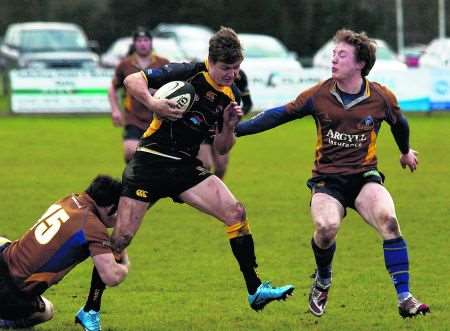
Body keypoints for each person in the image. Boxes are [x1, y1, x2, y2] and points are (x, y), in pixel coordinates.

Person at [77, 28, 294, 327]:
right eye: (226, 68)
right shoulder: (189, 71)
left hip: (185, 167)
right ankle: (90, 309)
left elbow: (221, 147)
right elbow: (132, 80)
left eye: (236, 67)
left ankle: (255, 289)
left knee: (236, 212)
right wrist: (153, 104)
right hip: (150, 162)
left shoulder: (228, 95)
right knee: (122, 238)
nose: (232, 73)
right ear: (211, 61)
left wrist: (230, 125)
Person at [235, 29, 430, 318]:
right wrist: (236, 129)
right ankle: (323, 279)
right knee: (326, 229)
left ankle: (405, 297)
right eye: (333, 54)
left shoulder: (380, 97)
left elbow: (399, 123)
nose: (334, 60)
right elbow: (279, 114)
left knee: (389, 221)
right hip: (327, 181)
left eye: (341, 55)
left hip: (365, 177)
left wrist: (405, 151)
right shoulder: (319, 95)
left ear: (360, 63)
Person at [0, 175, 129, 330]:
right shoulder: (92, 226)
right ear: (110, 208)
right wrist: (125, 263)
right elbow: (111, 276)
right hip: (9, 292)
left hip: (4, 258)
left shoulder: (69, 199)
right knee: (46, 311)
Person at [109, 26, 170, 163]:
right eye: (139, 40)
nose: (143, 43)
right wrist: (115, 110)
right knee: (130, 153)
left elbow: (175, 86)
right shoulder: (125, 65)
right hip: (134, 118)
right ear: (134, 43)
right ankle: (134, 181)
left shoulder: (163, 63)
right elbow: (112, 88)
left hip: (159, 118)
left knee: (158, 157)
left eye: (146, 40)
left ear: (151, 42)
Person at [197, 69, 253, 179]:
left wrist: (235, 117)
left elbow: (248, 104)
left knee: (221, 166)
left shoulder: (240, 77)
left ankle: (215, 194)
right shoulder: (205, 73)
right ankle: (201, 192)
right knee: (205, 165)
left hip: (222, 127)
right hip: (203, 126)